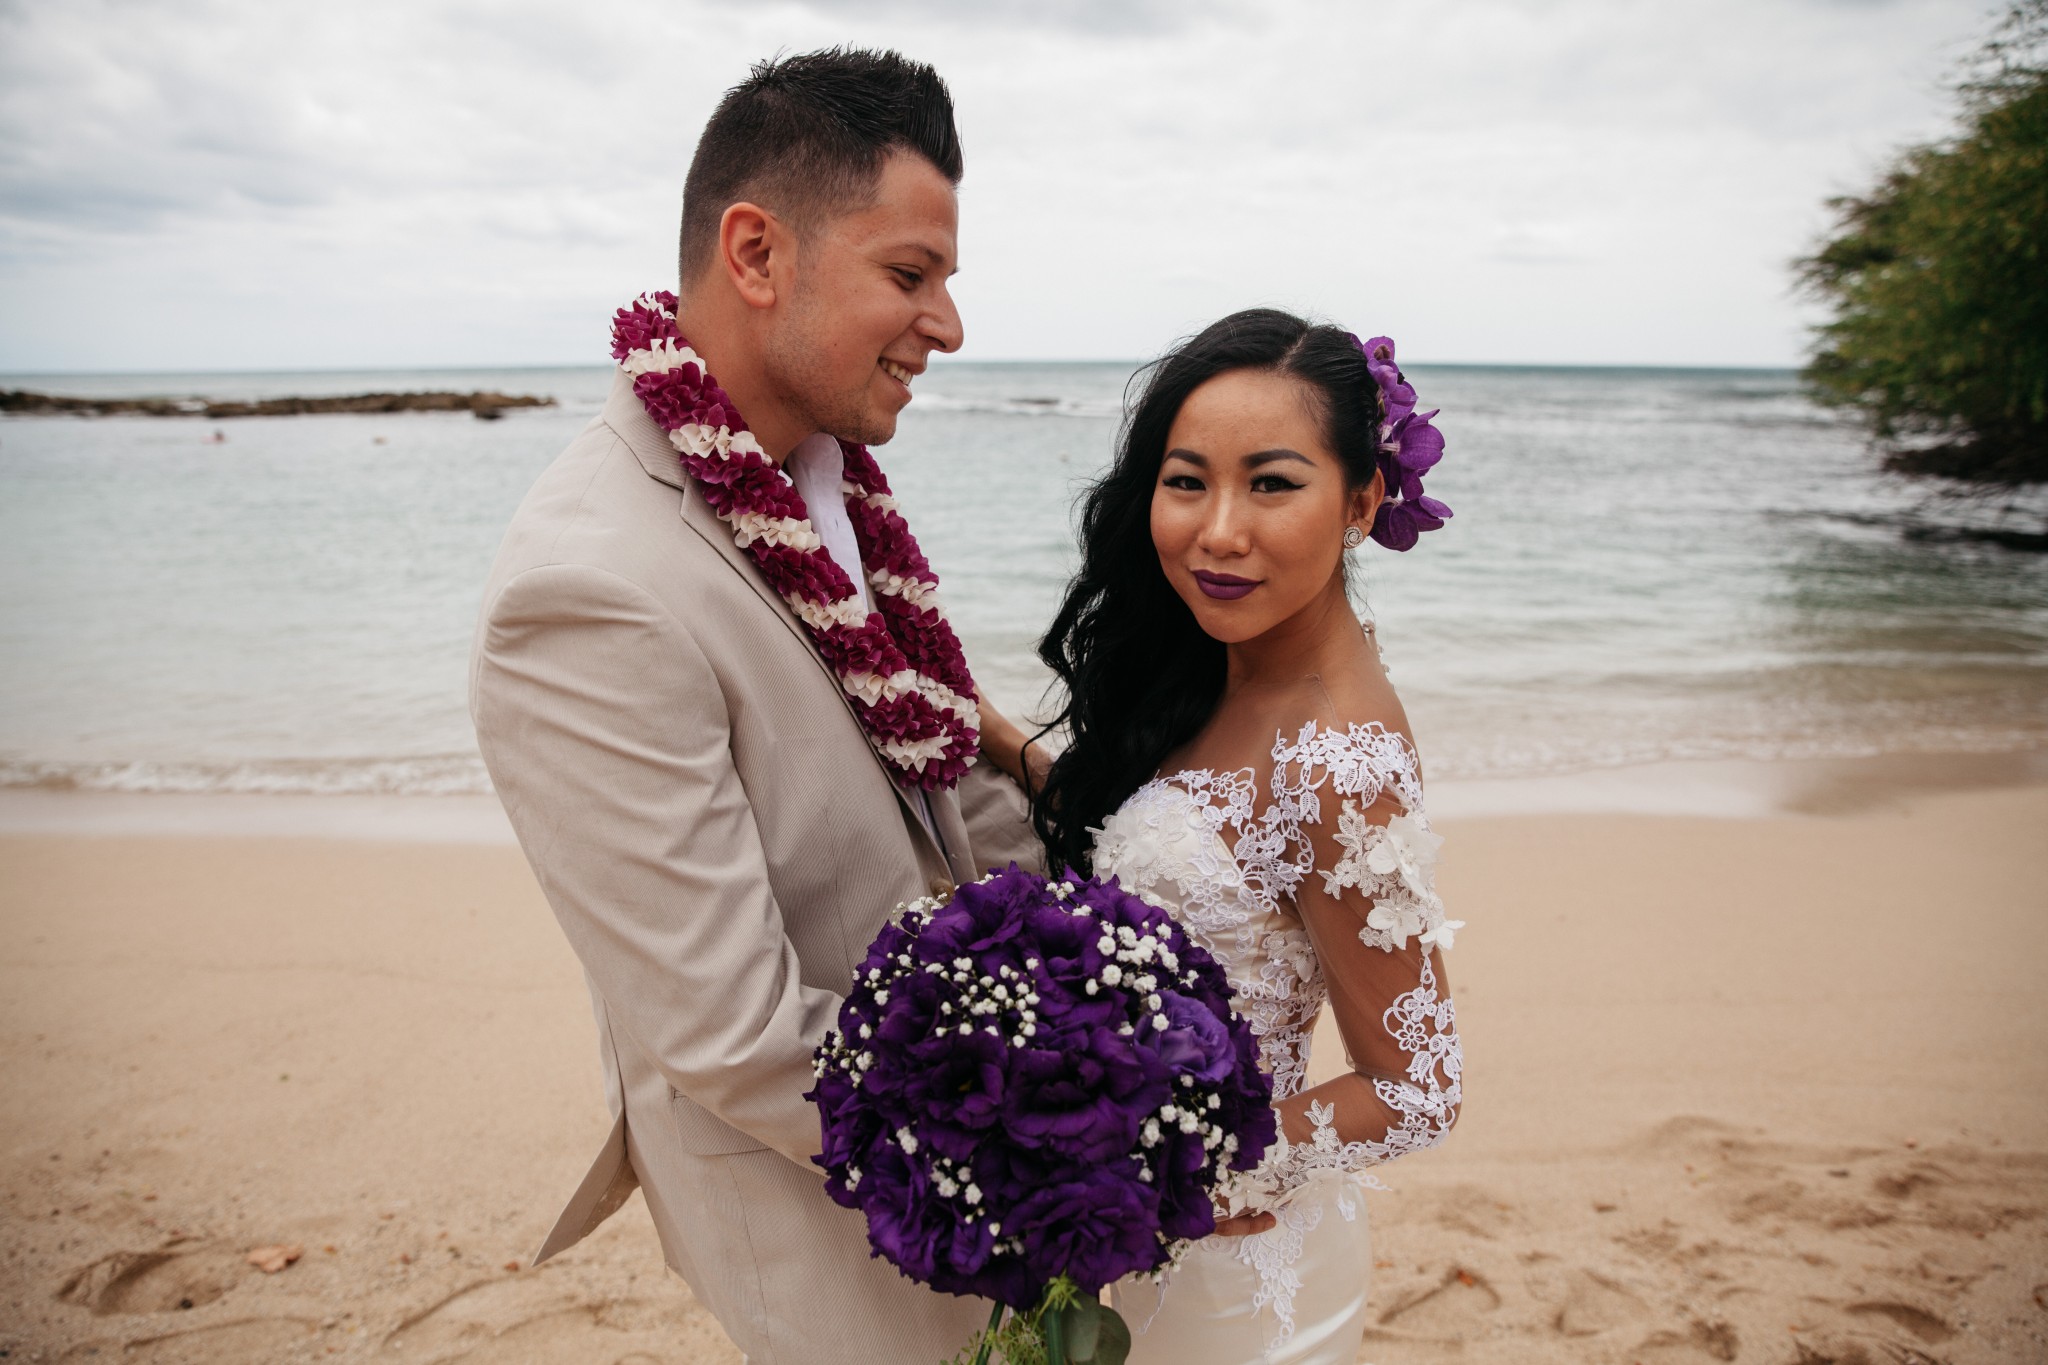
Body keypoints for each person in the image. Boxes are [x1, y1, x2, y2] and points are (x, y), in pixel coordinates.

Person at [469, 49, 1042, 1365]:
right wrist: (1066, 1097)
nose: (949, 325)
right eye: (911, 274)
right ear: (756, 252)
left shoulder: (820, 476)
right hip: (840, 1224)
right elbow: (743, 1037)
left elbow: (937, 771)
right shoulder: (588, 588)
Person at [980, 309, 1465, 1363]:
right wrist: (984, 733)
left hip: (1223, 1267)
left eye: (1274, 483)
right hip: (1139, 1246)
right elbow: (1187, 843)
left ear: (1363, 498)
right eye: (1186, 479)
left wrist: (1181, 1176)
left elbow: (1415, 1086)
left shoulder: (1337, 758)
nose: (1218, 531)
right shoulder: (1224, 660)